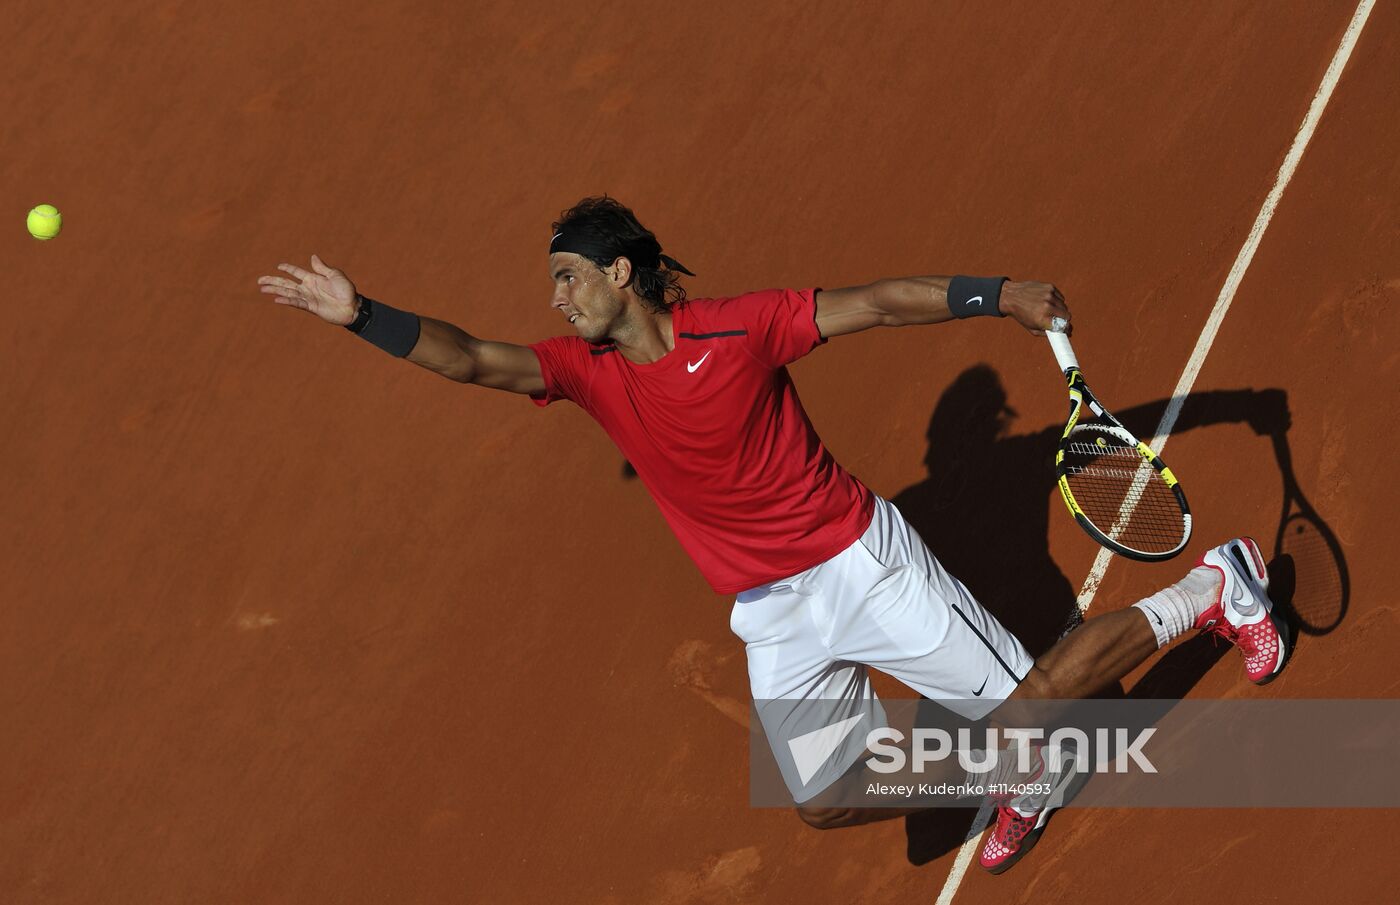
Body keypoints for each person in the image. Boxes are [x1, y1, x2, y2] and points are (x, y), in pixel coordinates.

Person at [257, 196, 1289, 874]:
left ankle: (1211, 586)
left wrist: (997, 295)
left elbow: (878, 303)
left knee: (1039, 703)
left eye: (566, 274)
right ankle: (1015, 762)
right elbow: (473, 359)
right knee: (827, 798)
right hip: (772, 608)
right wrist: (362, 317)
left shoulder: (737, 329)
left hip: (862, 562)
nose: (553, 296)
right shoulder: (586, 375)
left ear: (623, 273)